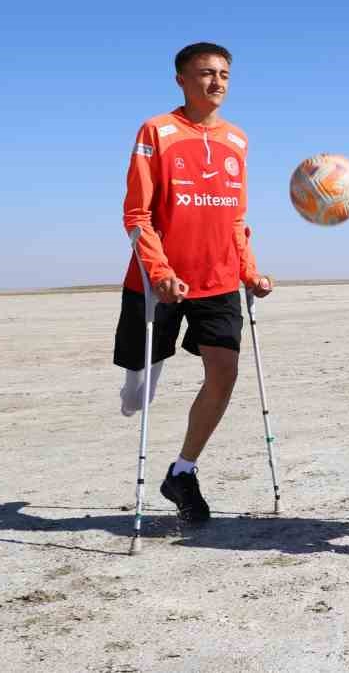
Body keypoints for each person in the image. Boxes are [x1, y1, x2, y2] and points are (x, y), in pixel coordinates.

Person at [113, 42, 274, 524]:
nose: (217, 81)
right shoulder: (156, 131)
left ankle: (182, 472)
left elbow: (236, 218)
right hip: (159, 281)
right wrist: (160, 272)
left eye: (224, 73)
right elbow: (137, 214)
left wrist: (249, 271)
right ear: (181, 79)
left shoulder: (238, 140)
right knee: (138, 394)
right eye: (206, 73)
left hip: (219, 280)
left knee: (224, 375)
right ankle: (139, 377)